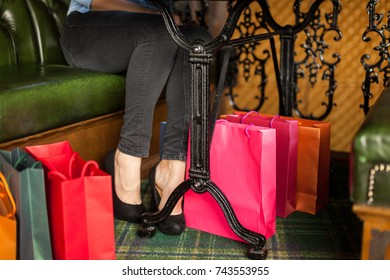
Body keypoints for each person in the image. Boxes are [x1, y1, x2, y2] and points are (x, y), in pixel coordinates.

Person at [60, 0, 211, 235]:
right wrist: (156, 15)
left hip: (150, 28)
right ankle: (125, 159)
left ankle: (171, 170)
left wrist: (163, 15)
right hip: (86, 30)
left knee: (197, 40)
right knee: (160, 29)